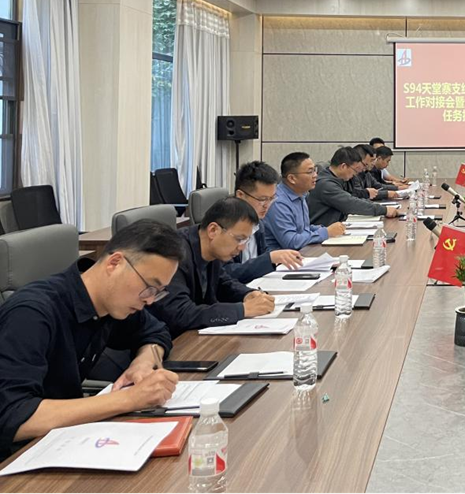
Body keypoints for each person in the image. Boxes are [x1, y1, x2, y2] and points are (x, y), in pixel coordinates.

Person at [0, 221, 184, 457]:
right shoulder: (31, 314)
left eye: (158, 292)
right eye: (149, 287)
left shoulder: (112, 303)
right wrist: (129, 399)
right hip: (17, 457)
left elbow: (157, 332)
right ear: (114, 263)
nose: (149, 300)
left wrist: (143, 362)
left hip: (63, 440)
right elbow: (11, 416)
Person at [150, 198, 276, 337]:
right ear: (213, 230)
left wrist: (247, 294)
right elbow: (180, 313)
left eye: (245, 240)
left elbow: (223, 283)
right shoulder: (174, 254)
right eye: (239, 239)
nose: (242, 247)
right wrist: (242, 310)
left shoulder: (211, 249)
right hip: (171, 340)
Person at [225, 161, 304, 283]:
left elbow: (263, 255)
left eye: (272, 199)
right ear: (240, 195)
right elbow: (226, 273)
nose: (267, 205)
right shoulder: (225, 226)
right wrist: (269, 258)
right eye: (262, 199)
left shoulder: (258, 222)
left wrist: (281, 257)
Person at [264, 152, 345, 251]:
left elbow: (302, 229)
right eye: (310, 172)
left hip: (300, 253)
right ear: (292, 178)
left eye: (315, 170)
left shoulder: (301, 194)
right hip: (281, 258)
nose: (315, 175)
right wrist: (326, 232)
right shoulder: (278, 202)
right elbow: (291, 242)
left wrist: (322, 229)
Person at [308, 147, 400, 226]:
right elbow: (351, 203)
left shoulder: (338, 179)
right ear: (343, 166)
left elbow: (353, 197)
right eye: (355, 170)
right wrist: (384, 210)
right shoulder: (326, 184)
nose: (356, 174)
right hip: (323, 232)